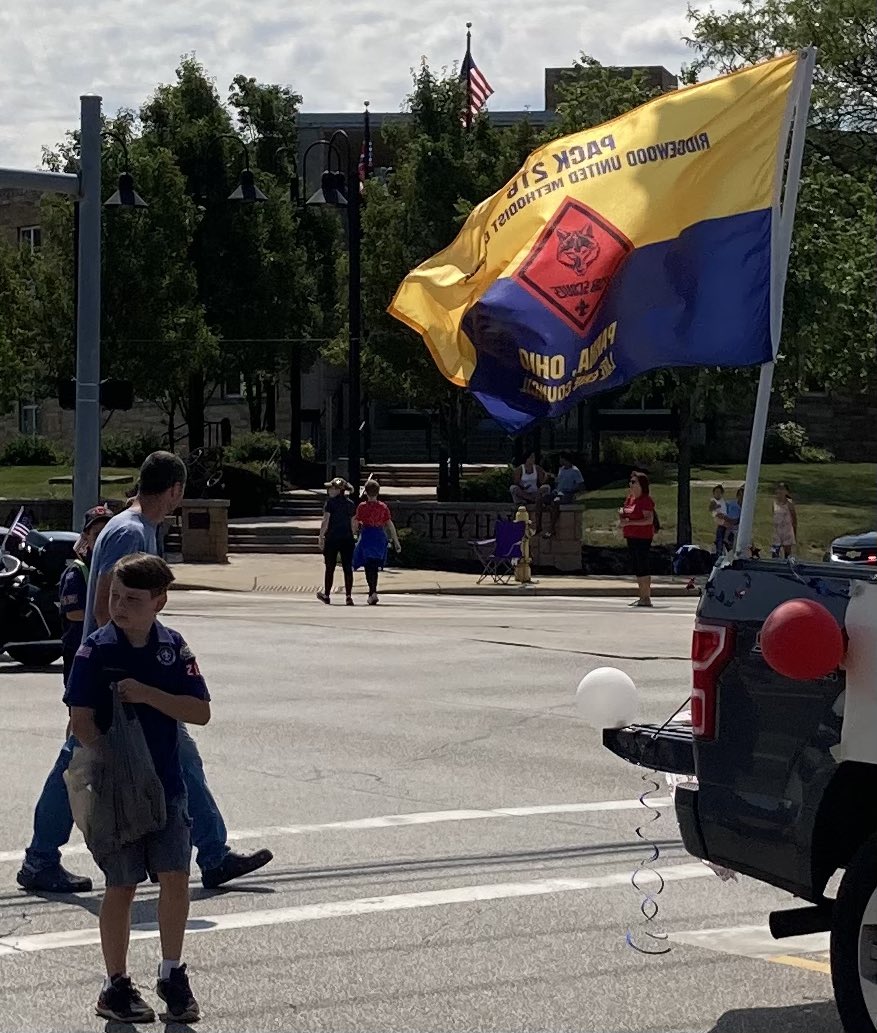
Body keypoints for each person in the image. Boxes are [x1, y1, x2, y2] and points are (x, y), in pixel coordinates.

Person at [17, 451, 272, 895]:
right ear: (175, 490)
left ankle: (212, 853)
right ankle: (41, 859)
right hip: (118, 678)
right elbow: (109, 605)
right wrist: (123, 670)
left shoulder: (131, 527)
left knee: (175, 759)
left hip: (122, 675)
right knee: (80, 761)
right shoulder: (132, 532)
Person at [66, 553, 207, 1024]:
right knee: (121, 885)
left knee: (175, 877)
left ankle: (172, 973)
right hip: (117, 790)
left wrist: (148, 695)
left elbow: (200, 711)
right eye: (115, 597)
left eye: (132, 599)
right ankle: (116, 983)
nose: (119, 607)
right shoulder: (96, 651)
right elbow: (80, 721)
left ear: (159, 601)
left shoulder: (172, 647)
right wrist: (114, 769)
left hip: (166, 783)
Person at [59, 505, 113, 685]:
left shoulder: (114, 565)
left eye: (107, 533)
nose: (103, 539)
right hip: (80, 652)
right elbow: (74, 613)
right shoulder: (77, 571)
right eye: (97, 535)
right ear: (86, 538)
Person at [353, 479, 401, 605]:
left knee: (368, 565)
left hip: (367, 536)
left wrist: (353, 535)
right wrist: (396, 541)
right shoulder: (383, 507)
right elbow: (389, 524)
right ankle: (373, 592)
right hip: (379, 536)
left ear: (366, 492)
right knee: (374, 565)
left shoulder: (362, 506)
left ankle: (372, 592)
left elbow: (356, 522)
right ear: (378, 492)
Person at [317, 477, 356, 605]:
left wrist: (321, 536)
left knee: (330, 567)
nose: (329, 490)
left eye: (331, 488)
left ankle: (327, 594)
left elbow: (325, 521)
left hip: (332, 538)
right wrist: (352, 534)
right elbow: (354, 524)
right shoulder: (350, 504)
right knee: (347, 568)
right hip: (347, 539)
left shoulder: (330, 503)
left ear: (338, 490)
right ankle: (348, 596)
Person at [619, 471, 656, 607]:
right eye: (630, 481)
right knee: (637, 566)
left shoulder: (645, 500)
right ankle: (641, 596)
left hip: (642, 537)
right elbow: (626, 512)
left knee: (642, 565)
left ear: (641, 485)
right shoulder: (630, 499)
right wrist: (622, 516)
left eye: (634, 482)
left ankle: (646, 597)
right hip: (631, 536)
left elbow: (649, 520)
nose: (631, 484)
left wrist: (630, 522)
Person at [510, 453, 552, 533]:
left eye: (534, 458)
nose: (533, 459)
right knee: (513, 488)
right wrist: (523, 487)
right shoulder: (520, 469)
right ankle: (530, 499)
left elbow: (542, 482)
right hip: (524, 493)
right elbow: (516, 482)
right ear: (526, 459)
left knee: (546, 487)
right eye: (531, 458)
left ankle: (533, 500)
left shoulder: (537, 468)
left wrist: (546, 477)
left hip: (535, 492)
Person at [545, 452, 585, 538]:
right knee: (544, 499)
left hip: (567, 493)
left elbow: (581, 485)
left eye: (560, 458)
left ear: (564, 459)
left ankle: (551, 528)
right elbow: (558, 482)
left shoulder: (575, 471)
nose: (559, 460)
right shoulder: (561, 469)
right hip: (557, 492)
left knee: (556, 502)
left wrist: (571, 490)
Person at [771, 482, 798, 558]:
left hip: (787, 531)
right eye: (779, 489)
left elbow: (794, 518)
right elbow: (774, 514)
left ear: (786, 492)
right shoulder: (774, 503)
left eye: (782, 489)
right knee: (774, 552)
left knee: (787, 554)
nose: (780, 491)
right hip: (777, 532)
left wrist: (794, 532)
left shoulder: (789, 503)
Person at [723, 486, 744, 553]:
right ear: (737, 496)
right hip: (731, 525)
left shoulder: (746, 506)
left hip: (740, 528)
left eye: (743, 495)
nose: (741, 497)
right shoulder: (732, 504)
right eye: (740, 495)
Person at [708, 485, 728, 555]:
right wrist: (715, 506)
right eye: (716, 492)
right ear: (714, 493)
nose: (718, 494)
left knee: (724, 532)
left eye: (719, 492)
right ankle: (719, 550)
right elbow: (710, 508)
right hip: (719, 517)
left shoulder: (722, 500)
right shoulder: (714, 500)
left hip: (724, 517)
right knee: (723, 530)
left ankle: (720, 545)